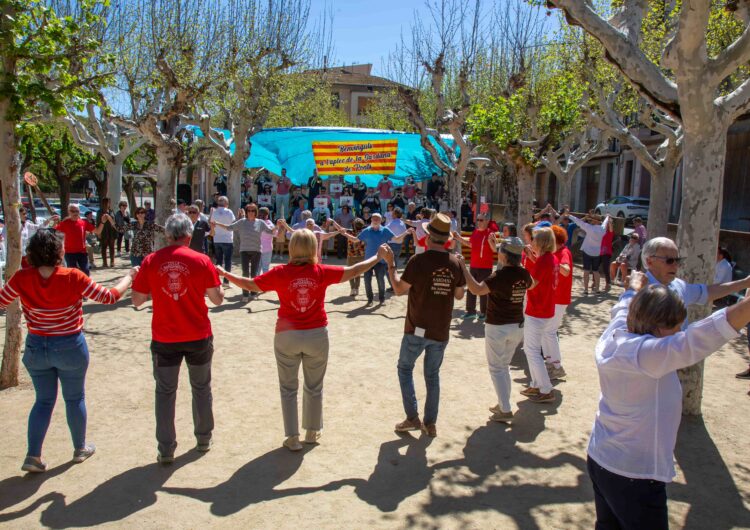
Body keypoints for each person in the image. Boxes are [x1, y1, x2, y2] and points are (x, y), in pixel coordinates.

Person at [587, 272, 750, 529]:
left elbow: (622, 307)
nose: (679, 332)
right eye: (676, 327)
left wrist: (633, 286)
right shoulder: (646, 356)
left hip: (601, 457)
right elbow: (700, 338)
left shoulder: (615, 334)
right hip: (635, 475)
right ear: (657, 326)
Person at [215, 229, 389, 451]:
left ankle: (292, 436)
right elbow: (354, 270)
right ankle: (312, 431)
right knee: (314, 386)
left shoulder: (280, 273)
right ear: (312, 249)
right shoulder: (321, 271)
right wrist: (377, 257)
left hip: (287, 334)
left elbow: (249, 284)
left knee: (288, 388)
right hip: (316, 333)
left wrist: (224, 272)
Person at [0, 230, 136, 472]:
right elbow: (110, 296)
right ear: (59, 252)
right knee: (74, 398)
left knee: (42, 401)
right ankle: (80, 447)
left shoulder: (22, 278)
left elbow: (2, 300)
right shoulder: (73, 276)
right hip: (70, 345)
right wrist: (129, 276)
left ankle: (33, 455)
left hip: (37, 345)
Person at [131, 214, 225, 464]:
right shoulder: (202, 260)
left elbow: (136, 300)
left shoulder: (152, 261)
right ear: (189, 235)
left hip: (165, 337)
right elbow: (217, 299)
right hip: (197, 335)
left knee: (164, 392)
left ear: (167, 235)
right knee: (201, 387)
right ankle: (203, 438)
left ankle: (166, 448)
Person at [382, 213, 465, 437]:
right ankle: (430, 423)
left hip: (417, 327)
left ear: (428, 237)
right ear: (447, 239)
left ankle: (412, 417)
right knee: (432, 376)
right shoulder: (455, 263)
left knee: (405, 368)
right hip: (440, 329)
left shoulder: (418, 261)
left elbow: (399, 290)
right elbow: (459, 295)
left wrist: (391, 265)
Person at [458, 237, 532, 423]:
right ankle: (503, 403)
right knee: (503, 366)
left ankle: (505, 409)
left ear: (505, 256)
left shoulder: (499, 276)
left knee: (496, 368)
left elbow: (476, 290)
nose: (498, 252)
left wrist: (463, 267)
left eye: (500, 250)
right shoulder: (523, 274)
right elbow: (533, 284)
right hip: (517, 326)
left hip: (498, 327)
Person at [336, 212, 411, 306]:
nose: (375, 220)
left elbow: (397, 239)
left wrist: (405, 233)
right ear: (371, 220)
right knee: (367, 281)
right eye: (374, 219)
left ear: (381, 220)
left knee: (380, 280)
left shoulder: (385, 230)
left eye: (377, 219)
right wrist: (345, 234)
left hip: (381, 261)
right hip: (368, 261)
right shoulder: (366, 231)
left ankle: (382, 299)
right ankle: (370, 300)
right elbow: (355, 240)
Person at [519, 227, 558, 403]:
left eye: (534, 239)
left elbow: (532, 284)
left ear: (541, 242)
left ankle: (545, 388)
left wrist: (519, 274)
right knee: (530, 349)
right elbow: (540, 275)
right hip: (544, 308)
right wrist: (531, 258)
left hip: (538, 310)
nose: (532, 242)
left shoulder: (544, 260)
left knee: (533, 351)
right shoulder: (549, 258)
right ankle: (536, 384)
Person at [211, 203, 275, 303]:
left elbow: (270, 231)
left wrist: (280, 225)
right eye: (249, 210)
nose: (251, 213)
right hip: (244, 250)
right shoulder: (241, 222)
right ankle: (245, 294)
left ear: (256, 212)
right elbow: (229, 227)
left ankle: (253, 293)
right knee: (245, 273)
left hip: (256, 250)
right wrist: (217, 223)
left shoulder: (260, 222)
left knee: (254, 274)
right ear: (247, 211)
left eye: (253, 211)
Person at [452, 212, 496, 320]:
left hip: (485, 267)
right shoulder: (475, 232)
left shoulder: (490, 233)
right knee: (471, 289)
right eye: (478, 220)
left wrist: (491, 242)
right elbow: (470, 245)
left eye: (481, 220)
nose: (478, 222)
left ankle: (484, 313)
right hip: (473, 265)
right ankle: (471, 311)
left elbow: (494, 250)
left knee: (483, 290)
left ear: (487, 221)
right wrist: (458, 238)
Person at [545, 225, 573, 380]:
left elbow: (566, 270)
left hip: (559, 299)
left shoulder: (564, 252)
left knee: (549, 332)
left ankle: (557, 366)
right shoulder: (554, 253)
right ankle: (550, 362)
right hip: (553, 298)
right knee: (546, 331)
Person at [565, 210, 610, 295]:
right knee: (596, 271)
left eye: (592, 220)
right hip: (597, 252)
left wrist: (569, 215)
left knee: (586, 271)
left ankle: (586, 290)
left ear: (594, 221)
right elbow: (605, 222)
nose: (591, 221)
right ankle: (597, 289)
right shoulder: (603, 229)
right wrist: (607, 216)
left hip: (587, 251)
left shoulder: (589, 228)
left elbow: (578, 222)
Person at [54, 203, 100, 275]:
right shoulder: (65, 223)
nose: (75, 213)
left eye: (77, 211)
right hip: (69, 253)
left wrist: (103, 222)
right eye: (73, 211)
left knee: (86, 271)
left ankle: (85, 285)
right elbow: (54, 232)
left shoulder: (83, 222)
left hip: (82, 252)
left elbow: (97, 231)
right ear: (69, 212)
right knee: (73, 273)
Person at [210, 196, 236, 286]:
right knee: (228, 261)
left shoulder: (214, 212)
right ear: (227, 204)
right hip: (227, 239)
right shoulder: (229, 212)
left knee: (219, 261)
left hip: (217, 239)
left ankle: (216, 280)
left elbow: (211, 223)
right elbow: (233, 223)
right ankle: (226, 281)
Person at [343, 218, 366, 297]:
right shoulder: (365, 232)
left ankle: (353, 289)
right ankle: (356, 288)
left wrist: (333, 222)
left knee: (350, 273)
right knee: (357, 273)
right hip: (361, 255)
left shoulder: (349, 232)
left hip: (351, 255)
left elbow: (340, 228)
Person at [95, 198, 118, 268]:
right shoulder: (100, 212)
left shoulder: (111, 211)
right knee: (104, 247)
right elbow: (98, 222)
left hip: (111, 232)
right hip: (103, 231)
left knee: (112, 247)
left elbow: (114, 221)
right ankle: (104, 262)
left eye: (109, 202)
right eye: (107, 202)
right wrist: (98, 233)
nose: (108, 204)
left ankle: (112, 261)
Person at [258, 207, 276, 274]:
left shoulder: (256, 223)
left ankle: (255, 283)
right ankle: (264, 283)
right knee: (265, 268)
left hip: (257, 248)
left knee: (257, 268)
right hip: (267, 249)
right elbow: (276, 234)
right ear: (267, 215)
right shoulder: (270, 224)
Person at [599, 220, 615, 292]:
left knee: (605, 268)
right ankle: (594, 282)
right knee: (595, 267)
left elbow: (611, 228)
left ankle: (608, 283)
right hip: (599, 252)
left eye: (607, 225)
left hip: (606, 252)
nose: (606, 226)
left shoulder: (610, 233)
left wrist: (609, 221)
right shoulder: (601, 233)